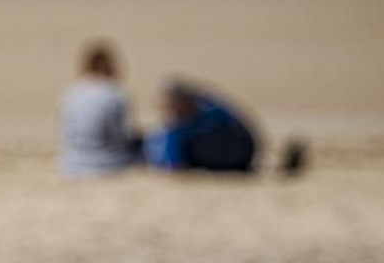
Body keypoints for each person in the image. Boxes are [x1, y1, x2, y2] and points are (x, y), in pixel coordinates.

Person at [56, 41, 141, 177]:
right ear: (109, 67)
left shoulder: (71, 92)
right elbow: (120, 136)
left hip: (70, 162)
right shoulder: (114, 93)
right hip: (104, 163)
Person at [145, 79, 257, 173]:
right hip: (227, 161)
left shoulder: (211, 110)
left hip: (239, 156)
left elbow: (239, 127)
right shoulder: (175, 129)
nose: (175, 109)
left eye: (176, 103)